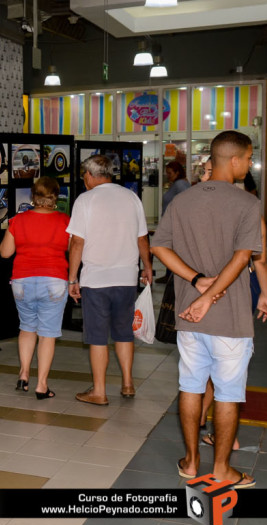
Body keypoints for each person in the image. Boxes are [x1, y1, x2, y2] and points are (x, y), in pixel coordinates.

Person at [150, 130, 261, 489]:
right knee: (228, 393)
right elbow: (243, 257)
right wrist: (210, 293)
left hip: (188, 318)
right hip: (230, 319)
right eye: (247, 157)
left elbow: (159, 248)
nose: (248, 163)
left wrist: (197, 281)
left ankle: (191, 460)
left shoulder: (182, 200)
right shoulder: (246, 204)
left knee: (191, 386)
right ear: (234, 160)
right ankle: (223, 469)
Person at [198, 159, 267, 450]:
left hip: (208, 288)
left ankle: (217, 427)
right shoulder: (251, 210)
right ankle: (216, 424)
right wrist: (265, 294)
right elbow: (260, 260)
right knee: (228, 363)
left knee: (209, 361)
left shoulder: (200, 206)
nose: (205, 177)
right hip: (242, 290)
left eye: (207, 171)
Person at [67, 155, 152, 405]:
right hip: (126, 277)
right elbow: (142, 238)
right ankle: (127, 384)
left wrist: (72, 278)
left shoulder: (85, 200)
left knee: (97, 336)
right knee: (124, 333)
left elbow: (77, 243)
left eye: (84, 174)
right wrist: (147, 267)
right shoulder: (131, 197)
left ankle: (100, 392)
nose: (84, 179)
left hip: (96, 279)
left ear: (90, 175)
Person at [0, 177, 70, 399]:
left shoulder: (18, 221)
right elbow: (72, 249)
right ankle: (41, 385)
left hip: (22, 281)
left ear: (33, 196)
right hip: (54, 281)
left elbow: (5, 252)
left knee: (27, 327)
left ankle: (23, 374)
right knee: (47, 335)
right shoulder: (65, 220)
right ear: (56, 196)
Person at [157, 161, 191, 282]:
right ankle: (169, 275)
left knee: (172, 250)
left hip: (176, 224)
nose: (168, 176)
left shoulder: (180, 184)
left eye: (170, 173)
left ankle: (172, 275)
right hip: (172, 223)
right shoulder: (176, 184)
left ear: (177, 172)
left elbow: (187, 203)